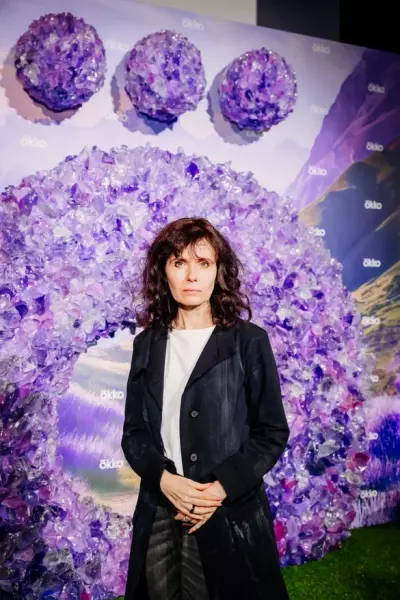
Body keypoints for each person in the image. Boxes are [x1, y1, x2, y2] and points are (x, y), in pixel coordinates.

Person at [121, 217, 290, 600]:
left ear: (219, 270)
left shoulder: (248, 341)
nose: (192, 276)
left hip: (225, 511)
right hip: (161, 508)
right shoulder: (147, 344)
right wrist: (164, 480)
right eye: (179, 262)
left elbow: (271, 432)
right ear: (163, 271)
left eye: (204, 263)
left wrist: (219, 489)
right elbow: (134, 434)